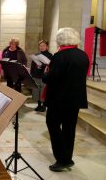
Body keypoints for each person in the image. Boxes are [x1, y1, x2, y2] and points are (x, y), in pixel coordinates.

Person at [42, 27, 89, 172]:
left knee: (53, 125)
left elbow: (50, 78)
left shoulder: (59, 56)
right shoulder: (83, 55)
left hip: (59, 100)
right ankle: (67, 157)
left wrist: (45, 73)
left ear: (61, 40)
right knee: (70, 129)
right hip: (75, 100)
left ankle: (62, 159)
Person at [30, 40, 52, 112]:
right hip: (36, 75)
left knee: (43, 91)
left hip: (44, 76)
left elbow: (51, 66)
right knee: (37, 91)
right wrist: (31, 74)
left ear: (47, 47)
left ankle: (44, 106)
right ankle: (39, 105)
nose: (42, 47)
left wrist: (43, 65)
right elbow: (32, 66)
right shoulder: (36, 55)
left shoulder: (50, 55)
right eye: (40, 46)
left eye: (43, 45)